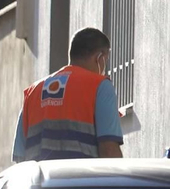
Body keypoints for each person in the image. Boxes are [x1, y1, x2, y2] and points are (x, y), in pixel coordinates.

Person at [13, 27, 125, 162]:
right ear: (100, 58)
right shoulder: (100, 87)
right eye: (105, 60)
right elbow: (109, 151)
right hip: (82, 181)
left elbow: (19, 158)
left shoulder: (33, 93)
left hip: (41, 182)